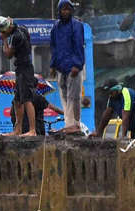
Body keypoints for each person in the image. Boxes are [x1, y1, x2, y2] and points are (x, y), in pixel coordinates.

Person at [0, 16, 37, 137]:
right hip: (21, 68)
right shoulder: (21, 28)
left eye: (4, 31)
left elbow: (8, 54)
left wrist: (4, 40)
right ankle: (17, 129)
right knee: (17, 101)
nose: (3, 33)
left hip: (25, 69)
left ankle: (32, 130)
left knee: (27, 99)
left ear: (8, 28)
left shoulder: (16, 36)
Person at [50, 1, 85, 134]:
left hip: (73, 68)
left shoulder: (76, 25)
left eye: (68, 9)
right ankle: (69, 123)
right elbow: (53, 47)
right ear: (59, 11)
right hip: (60, 67)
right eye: (63, 9)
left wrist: (77, 64)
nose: (65, 11)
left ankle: (74, 124)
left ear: (71, 10)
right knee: (64, 96)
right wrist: (53, 65)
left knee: (73, 96)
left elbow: (79, 45)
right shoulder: (56, 27)